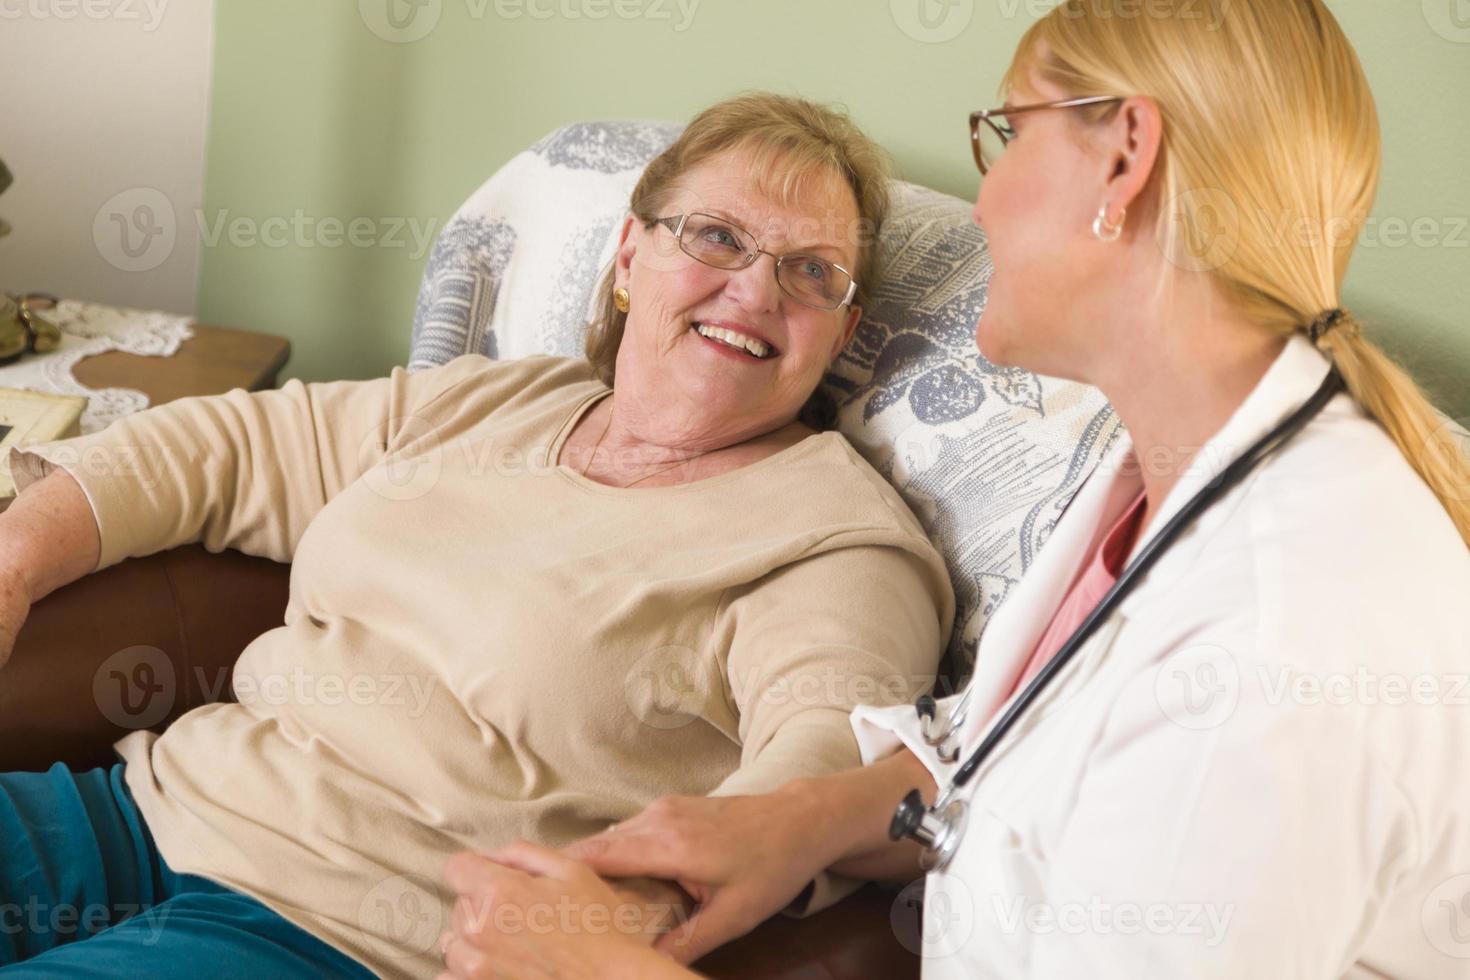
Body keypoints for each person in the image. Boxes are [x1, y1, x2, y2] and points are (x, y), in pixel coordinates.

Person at [436, 2, 1470, 977]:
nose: (983, 199)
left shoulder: (1268, 645)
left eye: (1007, 138)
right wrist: (796, 820)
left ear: (1125, 159)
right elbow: (1006, 757)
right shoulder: (1170, 477)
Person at [0, 93, 954, 979]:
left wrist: (633, 898)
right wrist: (15, 558)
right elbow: (229, 449)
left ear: (840, 333)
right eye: (716, 237)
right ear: (629, 259)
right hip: (142, 810)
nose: (754, 290)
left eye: (811, 273)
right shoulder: (506, 400)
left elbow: (825, 760)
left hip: (332, 932)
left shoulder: (836, 543)